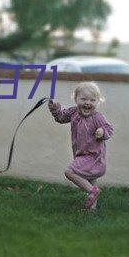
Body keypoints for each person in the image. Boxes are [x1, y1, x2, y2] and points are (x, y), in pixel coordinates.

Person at [48, 81, 114, 210]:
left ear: (98, 102)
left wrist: (103, 132)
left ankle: (92, 191)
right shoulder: (73, 113)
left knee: (69, 172)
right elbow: (60, 117)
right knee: (91, 180)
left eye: (92, 100)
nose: (88, 103)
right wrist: (55, 108)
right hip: (81, 153)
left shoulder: (98, 117)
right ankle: (91, 210)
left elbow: (109, 129)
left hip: (93, 155)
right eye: (83, 99)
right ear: (75, 98)